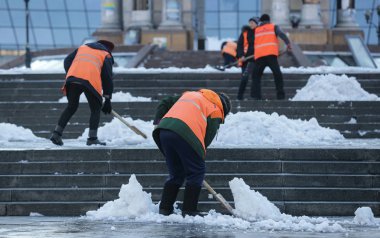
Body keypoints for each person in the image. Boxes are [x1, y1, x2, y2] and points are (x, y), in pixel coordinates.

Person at [152, 89, 231, 216]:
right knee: (196, 171)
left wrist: (157, 120)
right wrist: (197, 161)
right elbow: (205, 140)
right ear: (224, 110)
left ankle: (165, 208)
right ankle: (189, 210)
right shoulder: (216, 109)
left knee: (176, 173)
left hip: (164, 131)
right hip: (185, 133)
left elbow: (165, 101)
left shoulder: (191, 95)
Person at [50, 40, 115, 146]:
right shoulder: (105, 54)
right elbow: (107, 77)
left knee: (71, 107)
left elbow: (67, 61)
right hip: (90, 81)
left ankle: (56, 134)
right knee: (95, 109)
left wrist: (72, 73)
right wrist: (107, 99)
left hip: (73, 79)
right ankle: (92, 139)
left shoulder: (83, 48)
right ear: (108, 49)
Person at [250, 14, 292, 100]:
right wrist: (288, 43)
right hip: (271, 56)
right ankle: (280, 96)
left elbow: (253, 43)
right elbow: (282, 34)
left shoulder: (256, 30)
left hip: (259, 57)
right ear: (269, 20)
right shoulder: (273, 27)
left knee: (256, 76)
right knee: (277, 75)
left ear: (261, 21)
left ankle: (256, 96)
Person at [236, 17, 259, 100]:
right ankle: (239, 96)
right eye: (250, 22)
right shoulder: (245, 33)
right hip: (245, 59)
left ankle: (255, 96)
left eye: (253, 22)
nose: (251, 24)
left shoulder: (259, 32)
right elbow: (239, 45)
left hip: (255, 59)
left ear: (257, 24)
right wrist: (241, 55)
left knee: (255, 77)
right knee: (244, 77)